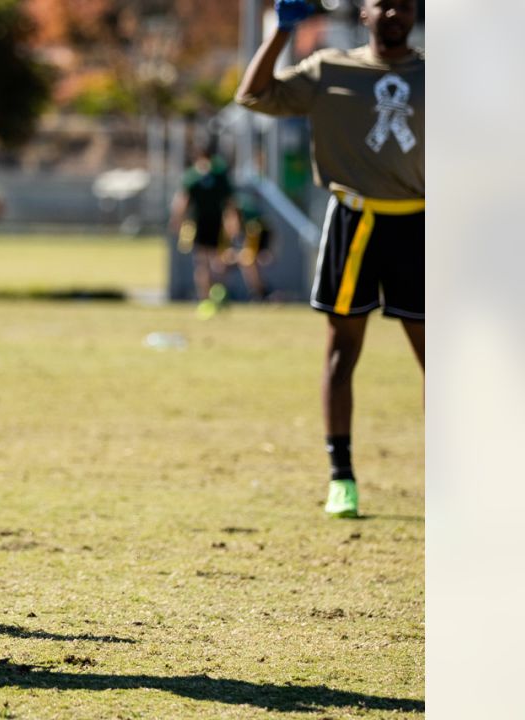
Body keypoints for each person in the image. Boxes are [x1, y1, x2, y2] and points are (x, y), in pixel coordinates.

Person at [236, 0, 423, 517]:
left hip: (421, 224)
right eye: (384, 4)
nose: (396, 13)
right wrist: (282, 31)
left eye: (405, 5)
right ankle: (342, 477)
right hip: (353, 223)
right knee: (342, 355)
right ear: (363, 12)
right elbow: (252, 94)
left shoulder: (438, 75)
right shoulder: (330, 69)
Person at [168, 147, 241, 315]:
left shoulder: (193, 176)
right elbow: (231, 203)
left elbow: (182, 201)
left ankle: (206, 299)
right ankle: (217, 295)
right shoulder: (220, 176)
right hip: (215, 224)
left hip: (202, 223)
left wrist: (177, 220)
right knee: (218, 262)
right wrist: (234, 223)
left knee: (204, 263)